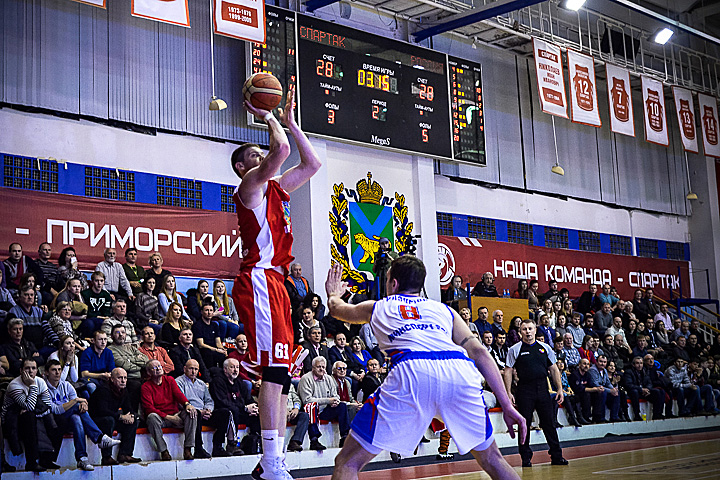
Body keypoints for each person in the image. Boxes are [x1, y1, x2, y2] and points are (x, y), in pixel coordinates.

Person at [325, 258, 525, 480]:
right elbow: (479, 352)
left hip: (412, 370)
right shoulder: (444, 310)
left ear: (393, 283)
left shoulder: (379, 306)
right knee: (493, 459)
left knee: (347, 462)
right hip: (458, 371)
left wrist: (333, 294)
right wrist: (507, 404)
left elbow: (337, 310)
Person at [503, 319, 567, 467]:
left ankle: (557, 456)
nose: (528, 332)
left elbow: (554, 369)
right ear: (520, 332)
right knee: (524, 425)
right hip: (525, 390)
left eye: (530, 329)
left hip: (543, 388)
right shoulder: (514, 349)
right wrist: (508, 392)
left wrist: (559, 388)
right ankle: (525, 458)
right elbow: (508, 371)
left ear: (535, 330)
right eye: (524, 329)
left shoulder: (545, 348)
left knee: (549, 423)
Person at [44, 359, 120, 471]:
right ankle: (99, 438)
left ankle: (82, 458)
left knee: (76, 418)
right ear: (46, 372)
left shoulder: (66, 385)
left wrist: (83, 403)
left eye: (59, 369)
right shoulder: (44, 388)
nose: (57, 373)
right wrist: (76, 402)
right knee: (76, 407)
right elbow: (55, 410)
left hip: (70, 419)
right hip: (56, 421)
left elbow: (78, 402)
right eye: (53, 370)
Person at [1, 357, 53, 472]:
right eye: (27, 368)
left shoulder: (41, 381)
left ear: (37, 370)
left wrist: (33, 410)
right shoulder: (14, 385)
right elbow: (29, 407)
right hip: (11, 422)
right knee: (29, 417)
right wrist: (32, 385)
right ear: (21, 371)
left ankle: (48, 458)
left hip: (31, 416)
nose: (30, 371)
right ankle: (31, 462)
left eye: (33, 368)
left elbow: (47, 405)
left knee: (55, 420)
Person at [141, 359, 197, 460]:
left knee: (192, 412)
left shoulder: (170, 380)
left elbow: (179, 394)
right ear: (149, 372)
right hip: (161, 418)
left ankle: (188, 449)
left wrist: (187, 404)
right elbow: (149, 408)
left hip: (176, 415)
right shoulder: (146, 387)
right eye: (154, 367)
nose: (158, 369)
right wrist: (169, 417)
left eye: (159, 366)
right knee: (151, 417)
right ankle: (164, 451)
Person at [88, 368, 142, 465]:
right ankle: (106, 457)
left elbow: (128, 408)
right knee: (108, 421)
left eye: (125, 378)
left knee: (133, 421)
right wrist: (121, 417)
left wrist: (131, 416)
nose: (123, 381)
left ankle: (125, 454)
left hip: (112, 417)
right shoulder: (103, 389)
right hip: (96, 419)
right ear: (112, 379)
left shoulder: (123, 390)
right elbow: (102, 410)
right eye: (120, 378)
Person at [209, 358, 262, 455]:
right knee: (230, 412)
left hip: (239, 411)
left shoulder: (240, 382)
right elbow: (222, 402)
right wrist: (244, 408)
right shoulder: (217, 381)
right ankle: (231, 444)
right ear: (225, 369)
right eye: (232, 367)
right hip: (221, 413)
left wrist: (254, 407)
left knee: (256, 413)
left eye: (237, 367)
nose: (235, 370)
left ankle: (255, 442)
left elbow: (248, 399)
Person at [298, 356, 351, 451]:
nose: (321, 369)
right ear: (313, 367)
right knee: (311, 406)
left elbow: (335, 396)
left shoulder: (328, 378)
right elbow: (307, 400)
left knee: (342, 406)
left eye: (323, 367)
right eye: (319, 367)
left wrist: (335, 402)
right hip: (311, 411)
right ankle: (314, 440)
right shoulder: (305, 379)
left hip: (325, 410)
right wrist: (328, 400)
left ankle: (344, 437)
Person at [175, 359, 217, 459]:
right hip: (188, 411)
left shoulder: (201, 384)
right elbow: (180, 401)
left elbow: (209, 400)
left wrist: (208, 410)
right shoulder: (178, 382)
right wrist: (199, 412)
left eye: (196, 369)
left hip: (203, 412)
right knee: (194, 413)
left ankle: (219, 446)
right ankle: (198, 448)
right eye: (191, 368)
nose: (193, 372)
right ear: (184, 369)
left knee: (225, 414)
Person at [623, 356, 664, 421]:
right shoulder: (628, 372)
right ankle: (637, 415)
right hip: (635, 392)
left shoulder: (645, 371)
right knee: (634, 392)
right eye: (637, 363)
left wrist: (647, 389)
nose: (640, 365)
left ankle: (657, 414)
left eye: (641, 363)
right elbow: (628, 385)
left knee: (657, 391)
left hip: (644, 392)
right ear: (633, 364)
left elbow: (649, 383)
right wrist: (641, 389)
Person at [79, 330, 115, 395]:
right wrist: (101, 375)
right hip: (91, 379)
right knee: (91, 386)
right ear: (93, 341)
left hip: (104, 379)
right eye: (100, 339)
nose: (103, 342)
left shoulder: (108, 352)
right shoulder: (87, 353)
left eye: (105, 339)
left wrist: (109, 374)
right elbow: (84, 374)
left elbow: (112, 370)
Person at [9, 286, 45, 351]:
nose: (30, 297)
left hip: (41, 347)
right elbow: (15, 335)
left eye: (32, 295)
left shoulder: (39, 311)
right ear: (20, 297)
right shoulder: (14, 312)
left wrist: (58, 342)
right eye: (26, 295)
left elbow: (47, 328)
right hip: (24, 349)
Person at [587, 355, 621, 422]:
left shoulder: (604, 370)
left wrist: (613, 390)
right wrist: (610, 391)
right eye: (601, 361)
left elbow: (608, 383)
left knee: (617, 392)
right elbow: (596, 384)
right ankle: (600, 417)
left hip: (603, 390)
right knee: (603, 393)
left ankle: (614, 416)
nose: (602, 364)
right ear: (596, 362)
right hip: (593, 392)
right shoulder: (592, 370)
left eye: (604, 362)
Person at [193, 302, 227, 368]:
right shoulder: (197, 325)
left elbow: (218, 342)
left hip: (214, 349)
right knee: (208, 353)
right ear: (201, 312)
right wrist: (216, 350)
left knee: (230, 352)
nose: (209, 313)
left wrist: (223, 350)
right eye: (206, 310)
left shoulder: (215, 325)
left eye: (211, 310)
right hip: (205, 350)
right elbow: (201, 344)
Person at [80, 271, 113, 336]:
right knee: (90, 324)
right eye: (96, 281)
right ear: (92, 281)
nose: (99, 283)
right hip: (88, 319)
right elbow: (86, 312)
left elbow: (106, 312)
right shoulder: (85, 294)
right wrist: (98, 316)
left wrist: (102, 317)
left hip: (101, 319)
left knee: (103, 323)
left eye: (101, 281)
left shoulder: (106, 295)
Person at [285, 383, 309, 452]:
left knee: (304, 416)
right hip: (277, 413)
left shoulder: (290, 385)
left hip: (291, 412)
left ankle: (295, 441)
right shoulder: (272, 385)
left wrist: (296, 408)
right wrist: (283, 410)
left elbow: (296, 399)